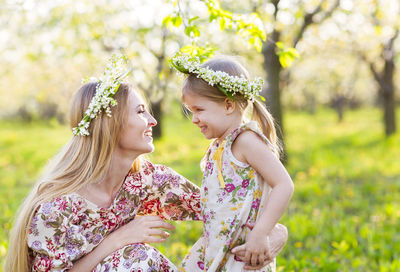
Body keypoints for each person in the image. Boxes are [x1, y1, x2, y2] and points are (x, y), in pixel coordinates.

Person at [4, 54, 284, 272]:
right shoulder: (57, 207)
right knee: (133, 258)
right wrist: (119, 239)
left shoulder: (146, 181)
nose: (153, 121)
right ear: (111, 125)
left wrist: (274, 234)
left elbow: (221, 209)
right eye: (140, 112)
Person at [171, 53, 294, 271]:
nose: (194, 119)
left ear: (228, 105)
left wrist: (262, 232)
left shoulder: (246, 141)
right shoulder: (219, 145)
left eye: (199, 110)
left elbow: (284, 184)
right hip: (217, 246)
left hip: (244, 249)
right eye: (191, 111)